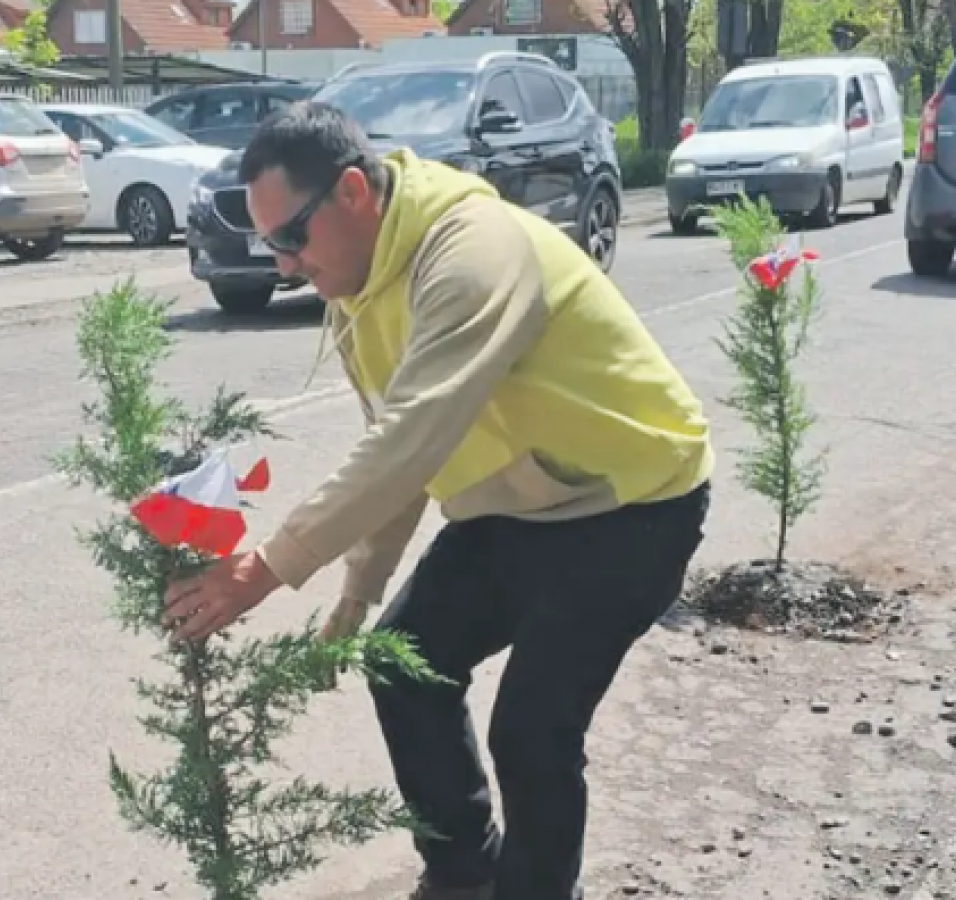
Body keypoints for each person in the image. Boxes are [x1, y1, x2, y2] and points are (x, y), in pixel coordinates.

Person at [161, 102, 714, 900]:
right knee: (403, 663)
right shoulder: (359, 283)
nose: (283, 265)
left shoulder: (472, 254)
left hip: (634, 503)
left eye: (291, 238)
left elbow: (413, 434)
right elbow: (397, 454)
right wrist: (358, 594)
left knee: (532, 733)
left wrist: (269, 569)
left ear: (353, 192)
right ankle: (461, 876)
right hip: (519, 508)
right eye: (267, 244)